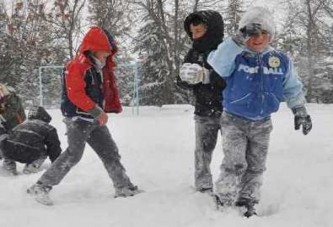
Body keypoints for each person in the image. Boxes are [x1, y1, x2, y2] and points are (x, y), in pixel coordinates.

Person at [205, 7, 312, 217]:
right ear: (245, 35)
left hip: (263, 123)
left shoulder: (280, 59)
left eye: (264, 33)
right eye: (253, 34)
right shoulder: (235, 56)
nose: (258, 38)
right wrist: (236, 41)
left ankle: (248, 201)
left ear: (271, 35)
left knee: (256, 165)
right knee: (235, 162)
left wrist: (299, 110)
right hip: (234, 120)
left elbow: (291, 87)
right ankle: (225, 198)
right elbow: (216, 63)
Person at [27, 26, 141, 206]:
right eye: (106, 51)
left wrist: (101, 111)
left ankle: (123, 186)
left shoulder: (96, 67)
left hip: (94, 120)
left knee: (110, 152)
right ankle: (41, 187)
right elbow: (75, 94)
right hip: (77, 120)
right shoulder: (77, 65)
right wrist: (97, 111)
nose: (108, 55)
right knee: (74, 154)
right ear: (95, 47)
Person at [177, 10, 226, 194]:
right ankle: (203, 187)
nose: (195, 35)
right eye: (192, 32)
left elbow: (232, 80)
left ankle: (229, 185)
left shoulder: (226, 51)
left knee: (233, 154)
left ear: (212, 29)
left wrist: (209, 76)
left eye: (199, 31)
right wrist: (184, 77)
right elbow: (181, 81)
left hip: (230, 111)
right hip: (204, 111)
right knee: (202, 153)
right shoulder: (194, 53)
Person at [0, 106, 61, 175]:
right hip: (30, 153)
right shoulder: (49, 128)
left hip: (10, 151)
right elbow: (54, 148)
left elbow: (9, 138)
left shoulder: (21, 125)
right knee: (43, 152)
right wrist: (57, 163)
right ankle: (30, 169)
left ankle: (9, 168)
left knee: (10, 145)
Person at [0, 83, 26, 175]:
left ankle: (10, 167)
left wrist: (1, 116)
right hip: (4, 123)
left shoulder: (11, 96)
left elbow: (12, 111)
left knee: (9, 142)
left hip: (15, 122)